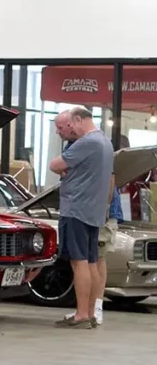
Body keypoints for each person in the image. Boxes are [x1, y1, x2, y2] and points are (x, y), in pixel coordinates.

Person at [48, 107, 115, 328]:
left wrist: (66, 170)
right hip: (94, 211)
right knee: (93, 262)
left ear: (77, 119)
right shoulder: (105, 143)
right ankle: (92, 311)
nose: (65, 131)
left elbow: (55, 165)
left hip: (76, 209)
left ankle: (81, 314)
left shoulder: (87, 142)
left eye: (66, 125)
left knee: (79, 263)